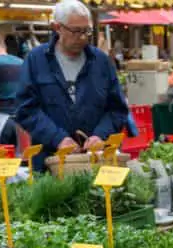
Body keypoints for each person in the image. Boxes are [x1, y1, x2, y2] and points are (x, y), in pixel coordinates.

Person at [16, 0, 131, 170]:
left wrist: (100, 135)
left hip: (96, 161)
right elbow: (25, 110)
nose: (83, 37)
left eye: (86, 31)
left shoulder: (101, 62)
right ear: (57, 27)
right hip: (51, 161)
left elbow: (117, 109)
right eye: (76, 31)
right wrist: (57, 138)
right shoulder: (36, 60)